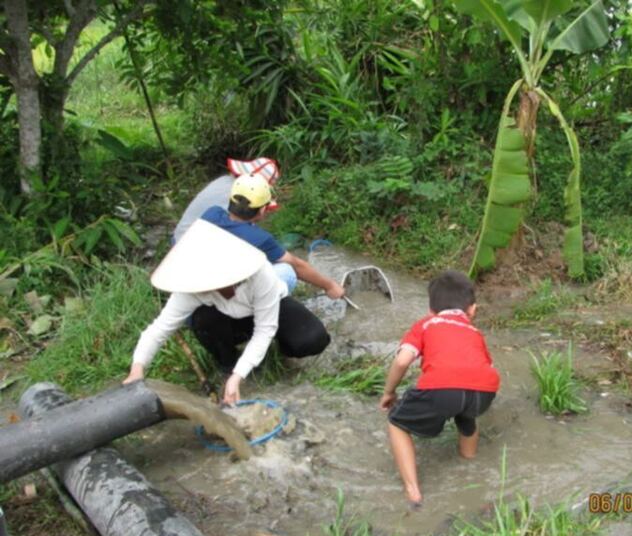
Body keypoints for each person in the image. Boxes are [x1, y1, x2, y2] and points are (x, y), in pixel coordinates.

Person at [123, 219, 330, 404]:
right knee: (203, 320)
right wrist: (137, 368)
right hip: (226, 319)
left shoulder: (260, 274)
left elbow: (264, 329)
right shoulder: (191, 286)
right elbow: (160, 328)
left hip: (268, 307)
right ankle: (227, 361)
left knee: (313, 338)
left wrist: (239, 376)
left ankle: (275, 351)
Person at [379, 270, 500, 506]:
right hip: (485, 389)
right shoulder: (475, 332)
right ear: (472, 309)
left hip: (442, 387)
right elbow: (488, 367)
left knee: (397, 423)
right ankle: (469, 461)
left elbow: (403, 360)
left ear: (431, 310)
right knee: (467, 416)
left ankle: (412, 492)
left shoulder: (426, 324)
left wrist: (389, 392)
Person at [174, 157, 344, 299]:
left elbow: (234, 225)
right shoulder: (258, 238)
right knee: (286, 271)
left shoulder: (217, 206)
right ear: (262, 208)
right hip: (211, 284)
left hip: (181, 250)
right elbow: (296, 265)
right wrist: (330, 286)